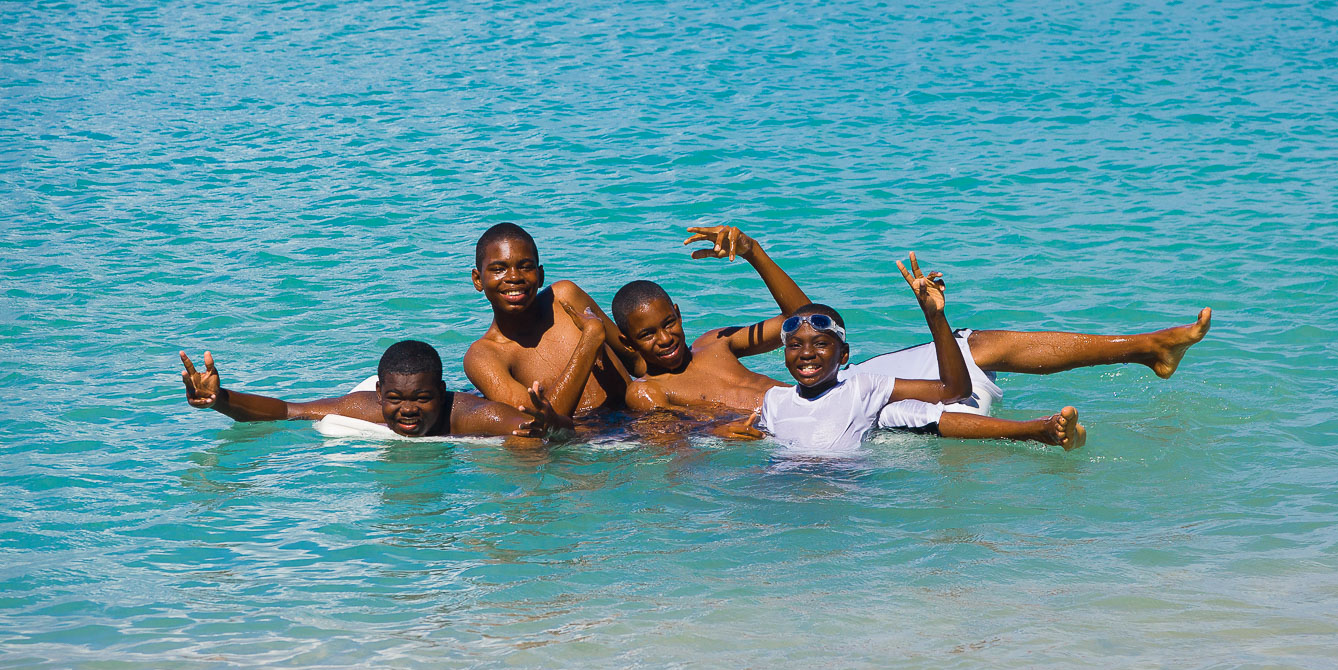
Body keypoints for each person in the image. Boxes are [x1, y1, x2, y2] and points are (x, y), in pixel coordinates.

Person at [609, 225, 1094, 447]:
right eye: (647, 335)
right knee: (920, 413)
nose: (664, 338)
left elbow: (803, 324)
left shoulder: (715, 342)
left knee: (977, 345)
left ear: (679, 313)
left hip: (827, 387)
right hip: (796, 420)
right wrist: (719, 431)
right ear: (629, 343)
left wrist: (755, 252)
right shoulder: (646, 391)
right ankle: (1038, 431)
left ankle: (1145, 347)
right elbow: (671, 438)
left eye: (668, 324)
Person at [715, 255, 1079, 451]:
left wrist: (934, 317)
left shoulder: (862, 386)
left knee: (916, 414)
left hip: (841, 495)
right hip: (785, 493)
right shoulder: (773, 402)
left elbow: (952, 391)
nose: (806, 353)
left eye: (820, 344)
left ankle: (1036, 430)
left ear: (843, 355)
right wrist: (726, 434)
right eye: (795, 345)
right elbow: (748, 436)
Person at [179, 339, 564, 442]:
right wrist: (221, 399)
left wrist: (551, 426)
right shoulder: (364, 408)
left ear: (442, 393)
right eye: (396, 399)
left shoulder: (474, 415)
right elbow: (286, 411)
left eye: (422, 398)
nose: (408, 410)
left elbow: (532, 430)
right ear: (379, 394)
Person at [463, 222, 629, 417]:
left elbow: (636, 358)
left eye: (526, 267)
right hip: (583, 440)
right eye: (499, 269)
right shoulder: (483, 356)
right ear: (477, 279)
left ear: (540, 275)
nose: (515, 277)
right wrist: (589, 342)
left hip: (637, 420)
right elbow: (541, 422)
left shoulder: (565, 298)